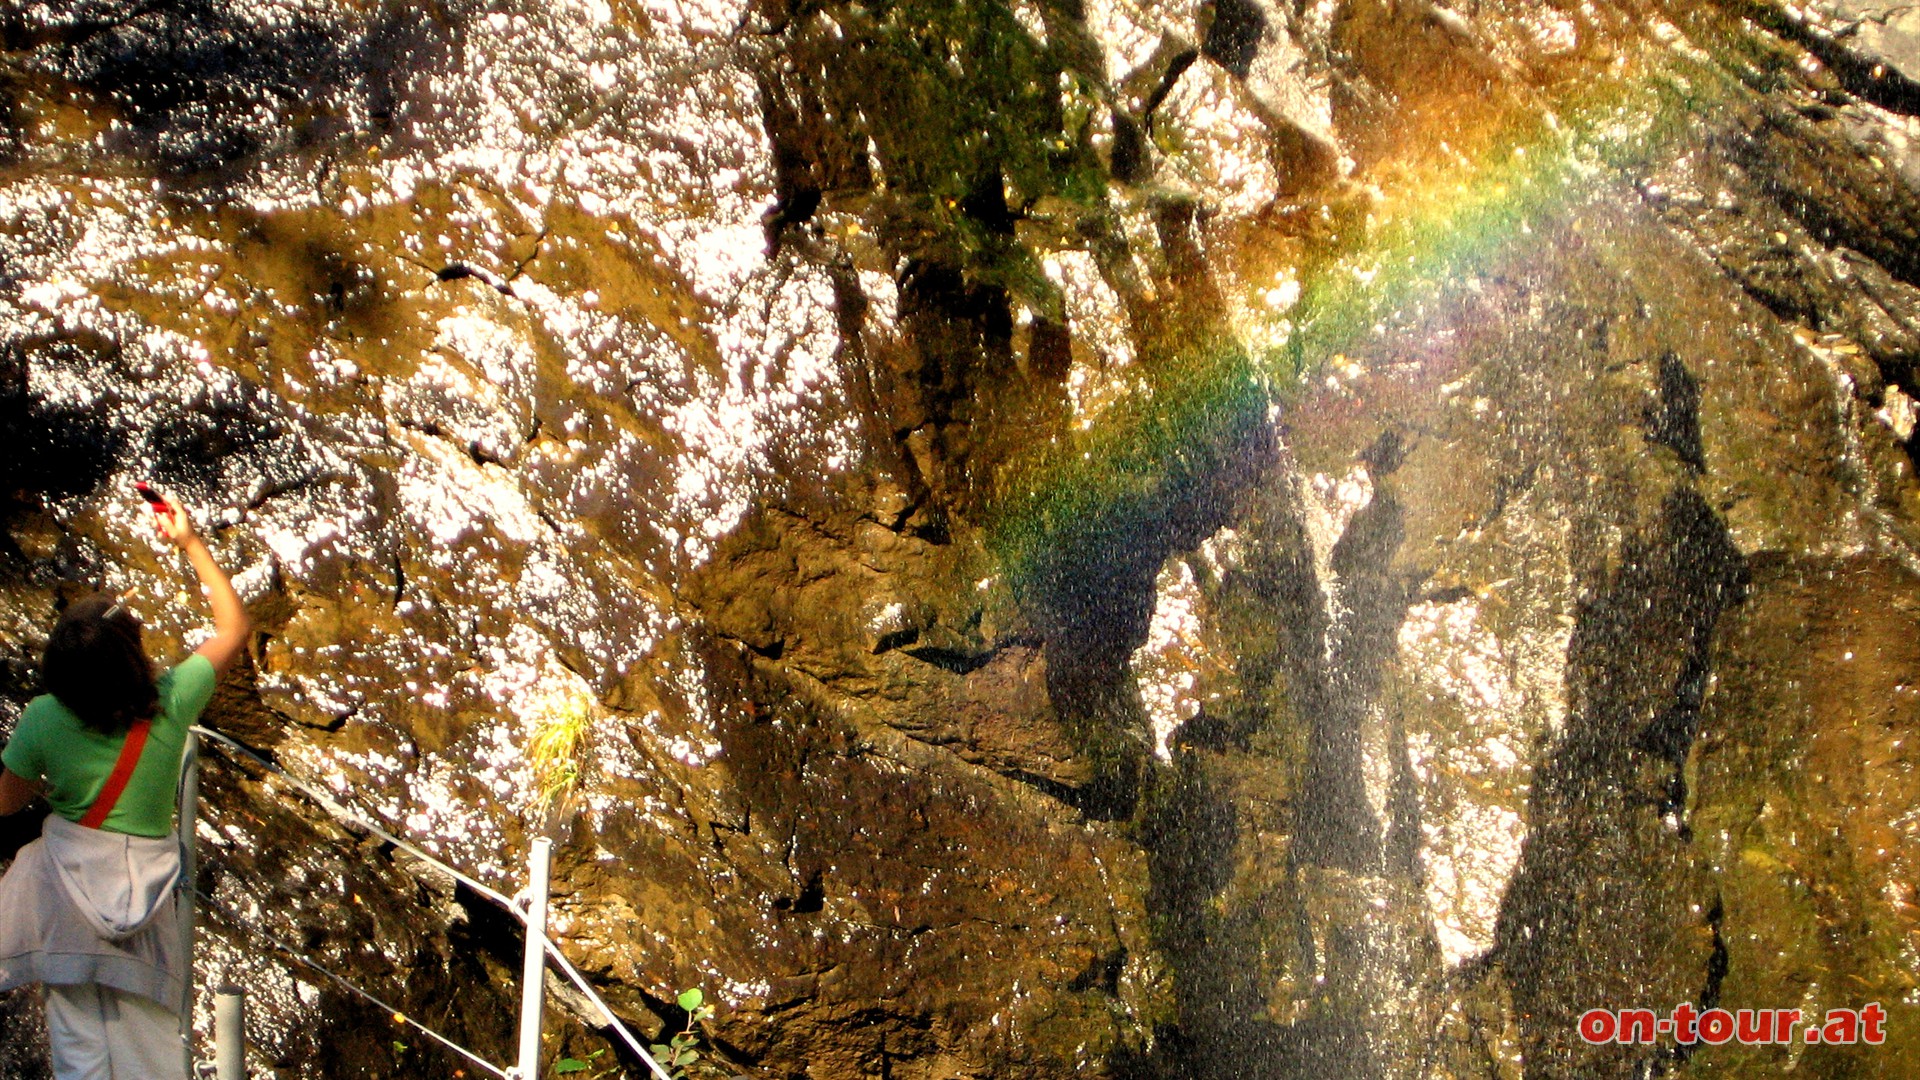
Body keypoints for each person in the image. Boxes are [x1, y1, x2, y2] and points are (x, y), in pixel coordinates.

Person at [0, 495, 249, 1080]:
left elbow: (6, 799)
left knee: (78, 1049)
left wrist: (57, 781)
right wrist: (190, 544)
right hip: (149, 897)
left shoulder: (43, 718)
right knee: (151, 1048)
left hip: (65, 903)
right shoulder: (170, 703)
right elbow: (234, 627)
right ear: (132, 657)